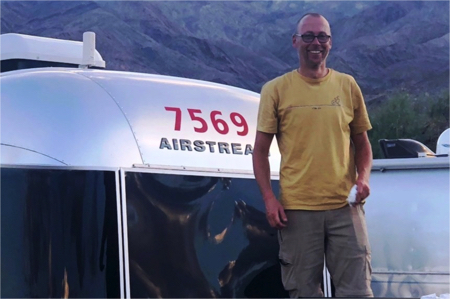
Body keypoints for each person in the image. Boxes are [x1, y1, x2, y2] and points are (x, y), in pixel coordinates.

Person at [252, 13, 374, 298]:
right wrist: (269, 199)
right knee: (304, 292)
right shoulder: (275, 90)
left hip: (346, 209)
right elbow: (259, 152)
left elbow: (363, 145)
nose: (315, 42)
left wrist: (363, 178)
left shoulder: (348, 86)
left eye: (322, 36)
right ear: (295, 42)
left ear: (330, 43)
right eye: (308, 36)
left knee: (357, 291)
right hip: (297, 211)